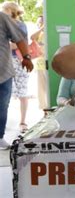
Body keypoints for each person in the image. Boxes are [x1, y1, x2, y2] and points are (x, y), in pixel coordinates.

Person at [0, 11, 33, 149]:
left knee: (2, 106)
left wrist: (26, 57)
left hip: (3, 72)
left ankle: (0, 136)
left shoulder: (2, 17)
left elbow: (19, 38)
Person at [30, 15, 48, 109]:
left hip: (48, 60)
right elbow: (32, 37)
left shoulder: (48, 32)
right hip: (40, 61)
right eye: (38, 23)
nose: (39, 24)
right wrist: (41, 28)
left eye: (40, 22)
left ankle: (48, 105)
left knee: (47, 83)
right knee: (41, 85)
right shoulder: (40, 33)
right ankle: (43, 107)